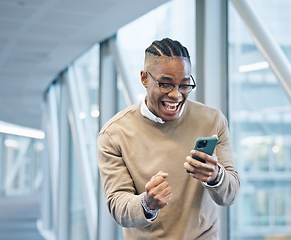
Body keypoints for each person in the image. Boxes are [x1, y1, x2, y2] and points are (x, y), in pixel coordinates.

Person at [97, 38, 240, 239]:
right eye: (166, 84)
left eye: (184, 85)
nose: (176, 95)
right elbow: (118, 206)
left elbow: (230, 194)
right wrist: (147, 204)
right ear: (144, 78)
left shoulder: (212, 121)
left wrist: (216, 176)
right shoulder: (114, 134)